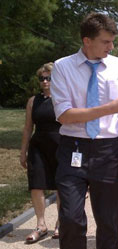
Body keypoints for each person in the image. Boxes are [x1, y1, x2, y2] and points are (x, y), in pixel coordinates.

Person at [50, 13, 118, 249]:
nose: (111, 46)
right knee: (70, 218)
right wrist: (108, 108)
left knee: (109, 222)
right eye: (106, 41)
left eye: (112, 41)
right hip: (73, 149)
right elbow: (64, 114)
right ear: (87, 41)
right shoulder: (62, 67)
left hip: (109, 151)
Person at [20, 62, 61, 243]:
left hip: (60, 146)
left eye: (48, 78)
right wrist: (23, 151)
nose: (44, 82)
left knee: (61, 186)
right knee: (36, 185)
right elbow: (28, 128)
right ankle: (41, 225)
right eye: (42, 78)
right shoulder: (33, 101)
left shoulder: (63, 98)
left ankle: (61, 223)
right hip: (38, 147)